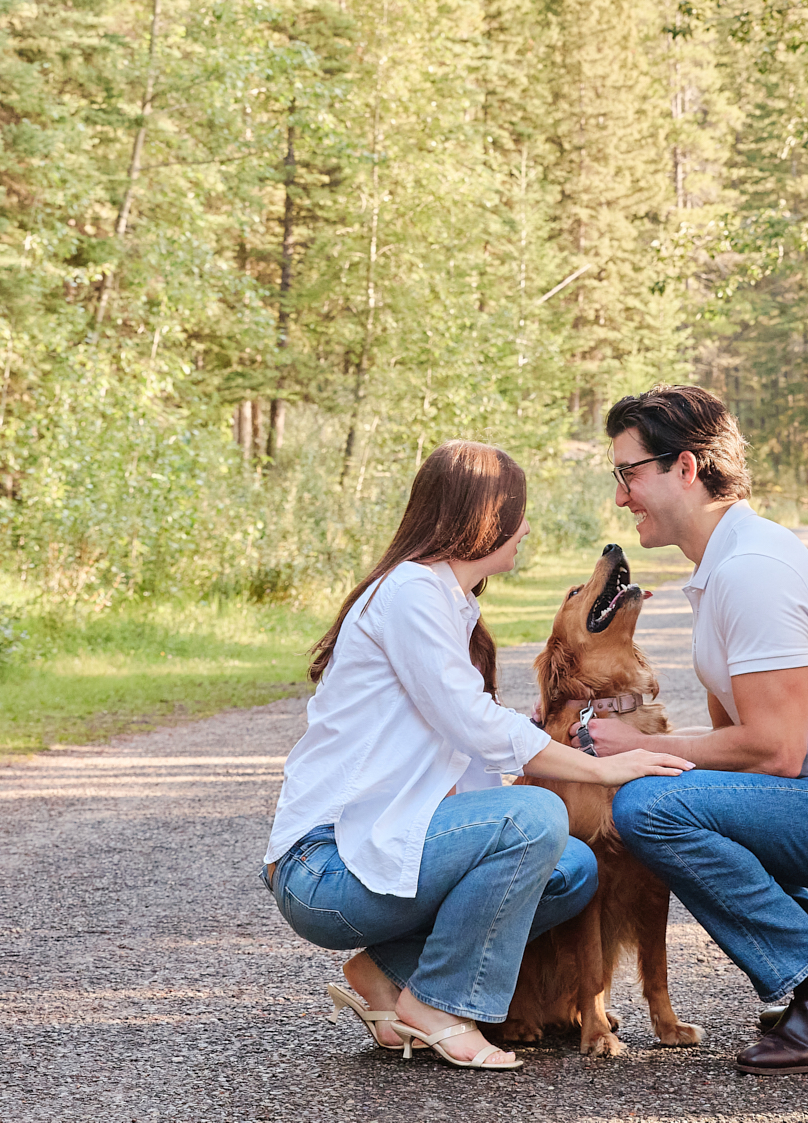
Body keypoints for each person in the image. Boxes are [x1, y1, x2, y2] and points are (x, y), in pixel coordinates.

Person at [263, 440, 693, 1070]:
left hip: (379, 852)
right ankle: (437, 1002)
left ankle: (385, 971)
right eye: (516, 513)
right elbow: (472, 723)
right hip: (325, 865)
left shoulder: (452, 607)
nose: (525, 528)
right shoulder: (411, 593)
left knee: (573, 869)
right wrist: (600, 768)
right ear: (480, 517)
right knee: (534, 819)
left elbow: (469, 750)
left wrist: (549, 737)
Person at [582, 385, 808, 1075]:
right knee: (671, 805)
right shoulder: (722, 568)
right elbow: (736, 756)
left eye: (628, 473)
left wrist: (644, 747)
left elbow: (775, 750)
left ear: (684, 468)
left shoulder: (751, 570)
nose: (622, 496)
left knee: (648, 808)